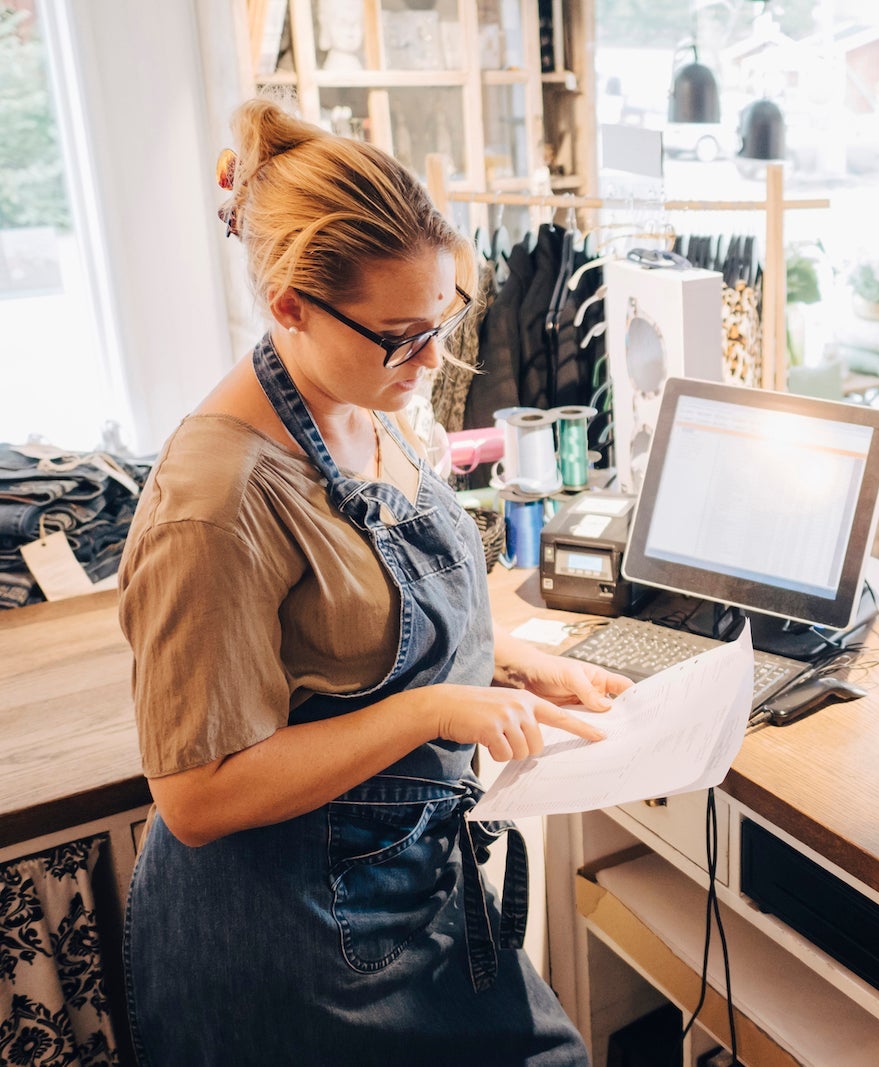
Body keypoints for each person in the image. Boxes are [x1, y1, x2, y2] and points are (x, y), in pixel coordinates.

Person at [118, 98, 630, 1065]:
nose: (433, 360)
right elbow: (195, 794)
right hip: (295, 940)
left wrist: (507, 661)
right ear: (289, 305)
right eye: (402, 335)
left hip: (408, 891)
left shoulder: (361, 396)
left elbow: (351, 627)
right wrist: (435, 709)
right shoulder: (215, 501)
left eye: (443, 320)